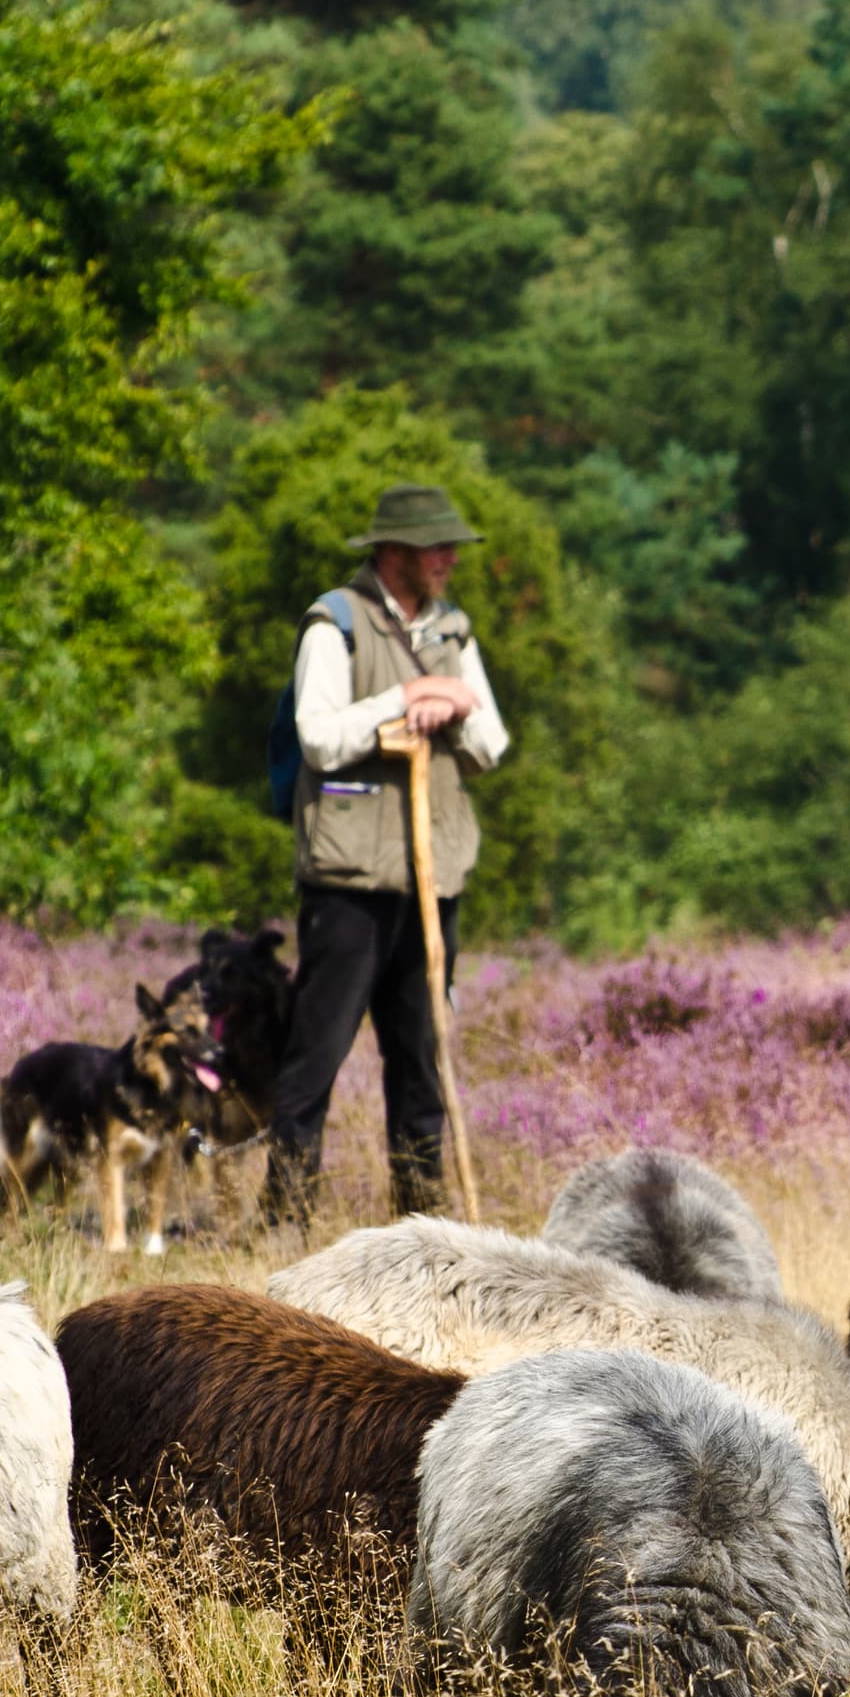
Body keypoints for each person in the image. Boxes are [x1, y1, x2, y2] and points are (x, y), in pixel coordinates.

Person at [262, 484, 511, 1227]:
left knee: (422, 1064)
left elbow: (491, 745)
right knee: (317, 1058)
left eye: (450, 549)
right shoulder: (333, 623)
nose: (448, 561)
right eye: (436, 548)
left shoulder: (452, 630)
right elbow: (320, 738)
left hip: (433, 879)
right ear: (394, 551)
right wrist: (407, 696)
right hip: (349, 880)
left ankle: (422, 1225)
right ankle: (285, 1219)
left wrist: (453, 705)